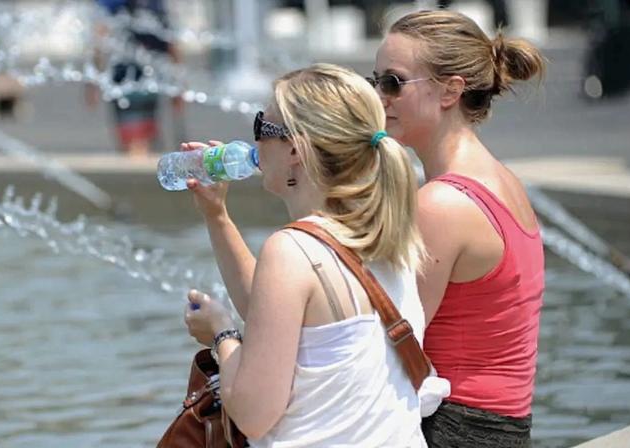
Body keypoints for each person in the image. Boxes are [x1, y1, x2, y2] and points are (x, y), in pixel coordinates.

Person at [182, 63, 428, 446]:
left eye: (262, 126)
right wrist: (217, 216)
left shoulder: (292, 251)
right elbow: (273, 315)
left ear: (295, 148)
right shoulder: (388, 234)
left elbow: (253, 414)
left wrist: (221, 332)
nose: (254, 141)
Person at [372, 10, 545, 447]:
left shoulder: (441, 204)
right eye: (375, 81)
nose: (378, 97)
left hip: (453, 429)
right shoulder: (499, 180)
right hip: (496, 429)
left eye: (392, 82)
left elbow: (382, 343)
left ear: (450, 90)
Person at [85, 0, 179, 157]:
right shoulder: (154, 5)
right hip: (150, 80)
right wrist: (177, 86)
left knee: (132, 144)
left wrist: (91, 82)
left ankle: (139, 163)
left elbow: (99, 41)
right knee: (145, 140)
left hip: (124, 82)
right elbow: (171, 44)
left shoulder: (111, 4)